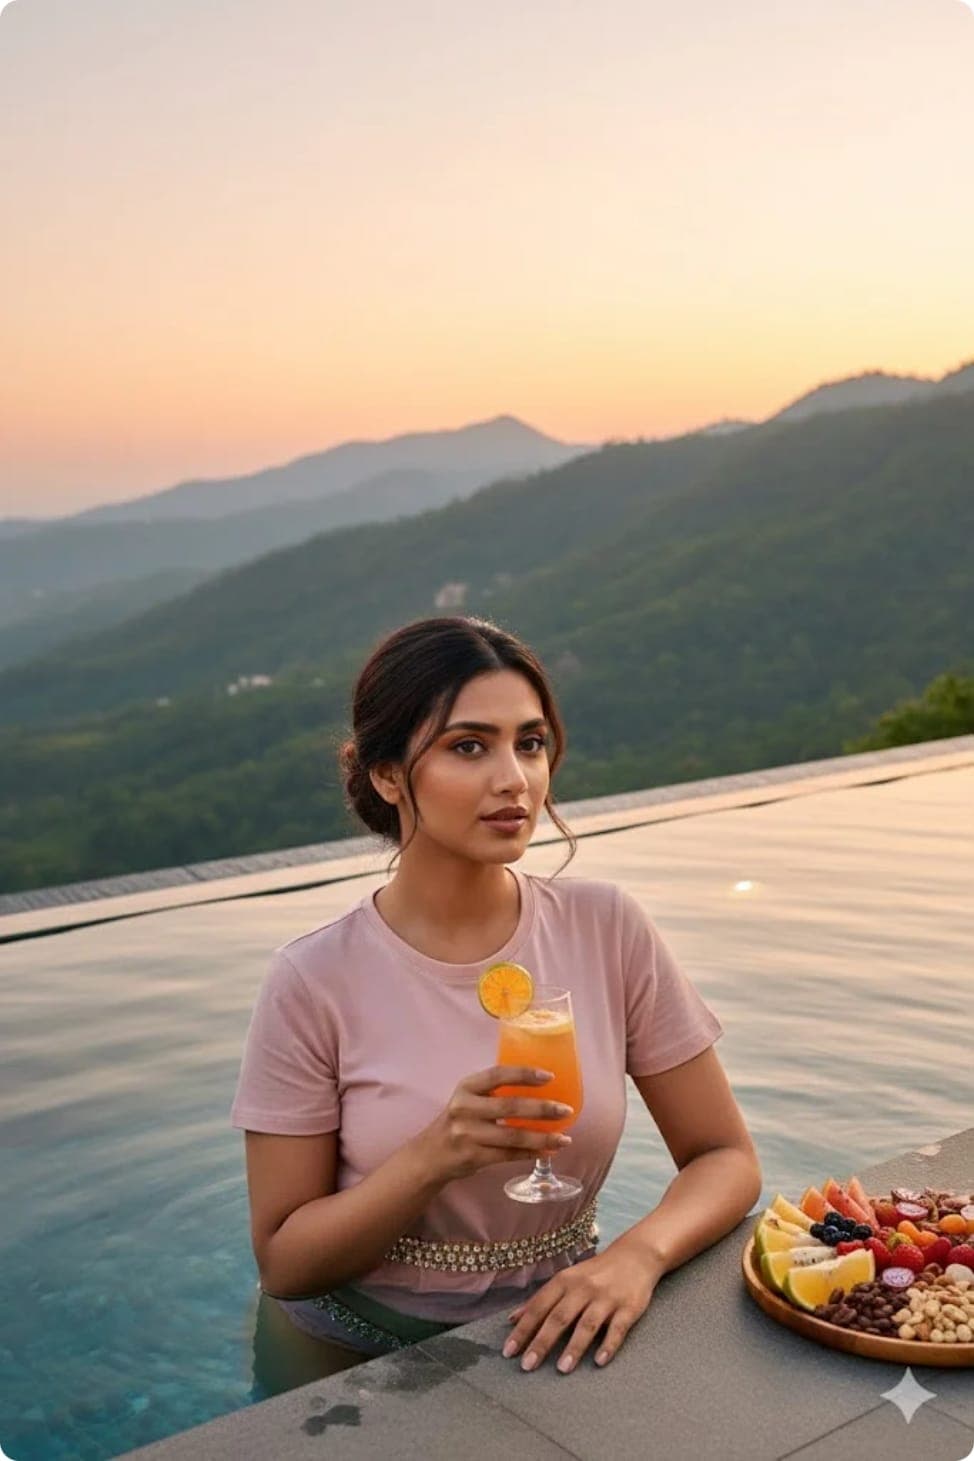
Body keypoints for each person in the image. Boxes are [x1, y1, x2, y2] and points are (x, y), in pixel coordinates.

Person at [231, 615, 761, 1392]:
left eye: (530, 742)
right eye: (469, 746)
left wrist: (636, 1256)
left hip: (562, 1326)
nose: (515, 778)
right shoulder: (313, 979)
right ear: (388, 774)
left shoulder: (605, 926)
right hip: (349, 1354)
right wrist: (433, 1157)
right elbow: (284, 1260)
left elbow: (726, 1158)